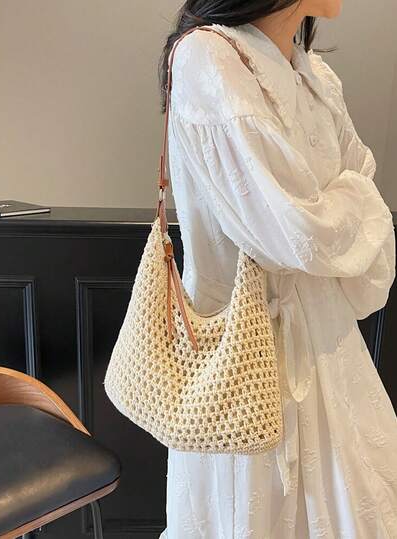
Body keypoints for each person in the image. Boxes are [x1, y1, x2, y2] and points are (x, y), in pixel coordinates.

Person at [157, 0, 397, 537]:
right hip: (246, 358)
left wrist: (340, 206)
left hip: (331, 350)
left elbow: (353, 189)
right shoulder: (206, 58)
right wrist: (352, 202)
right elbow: (296, 230)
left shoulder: (315, 73)